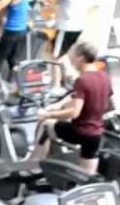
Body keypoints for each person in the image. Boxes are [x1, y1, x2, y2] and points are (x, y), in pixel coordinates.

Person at [32, 41, 112, 174]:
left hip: (80, 131)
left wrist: (48, 115)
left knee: (46, 125)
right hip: (96, 133)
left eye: (72, 57)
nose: (72, 61)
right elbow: (108, 103)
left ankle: (35, 165)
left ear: (81, 58)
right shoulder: (104, 76)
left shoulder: (83, 80)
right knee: (87, 174)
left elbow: (74, 113)